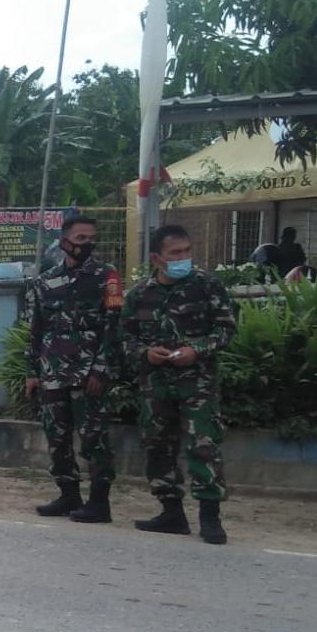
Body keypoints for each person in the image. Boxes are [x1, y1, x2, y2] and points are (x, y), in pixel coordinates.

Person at [121, 224, 236, 545]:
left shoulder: (207, 286)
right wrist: (147, 353)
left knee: (203, 445)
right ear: (158, 258)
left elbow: (226, 330)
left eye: (187, 251)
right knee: (157, 444)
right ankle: (171, 512)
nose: (184, 258)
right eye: (176, 253)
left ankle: (210, 518)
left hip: (197, 383)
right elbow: (125, 338)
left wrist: (196, 350)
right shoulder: (140, 294)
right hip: (155, 384)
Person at [24, 217, 121, 523]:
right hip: (52, 374)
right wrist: (32, 372)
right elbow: (36, 329)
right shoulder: (46, 280)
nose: (86, 243)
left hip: (88, 374)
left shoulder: (106, 277)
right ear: (64, 240)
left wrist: (101, 370)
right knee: (57, 438)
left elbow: (114, 327)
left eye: (91, 238)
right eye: (80, 237)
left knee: (93, 438)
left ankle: (99, 503)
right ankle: (68, 495)